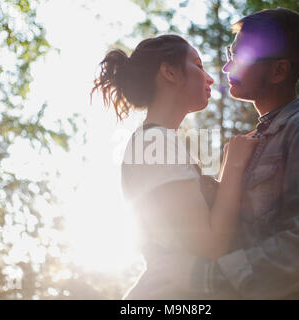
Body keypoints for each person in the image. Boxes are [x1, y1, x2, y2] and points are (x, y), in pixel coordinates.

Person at [138, 8, 299, 299]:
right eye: (231, 54)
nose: (227, 68)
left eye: (240, 58)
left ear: (279, 71)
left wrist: (209, 277)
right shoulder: (248, 145)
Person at [91, 34, 259, 299]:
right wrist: (234, 166)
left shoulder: (158, 141)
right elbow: (209, 245)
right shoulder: (154, 142)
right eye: (198, 66)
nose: (210, 78)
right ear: (169, 71)